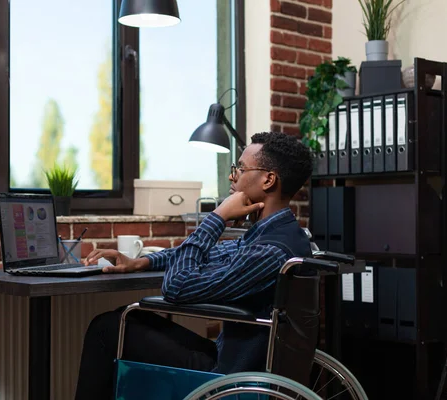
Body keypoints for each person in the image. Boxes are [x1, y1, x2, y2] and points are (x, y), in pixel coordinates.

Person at [75, 131, 314, 399]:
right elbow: (211, 253)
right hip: (239, 358)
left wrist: (217, 216)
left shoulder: (269, 251)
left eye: (240, 169)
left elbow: (177, 286)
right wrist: (141, 262)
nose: (231, 176)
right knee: (126, 318)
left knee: (108, 328)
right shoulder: (276, 234)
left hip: (233, 374)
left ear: (268, 180)